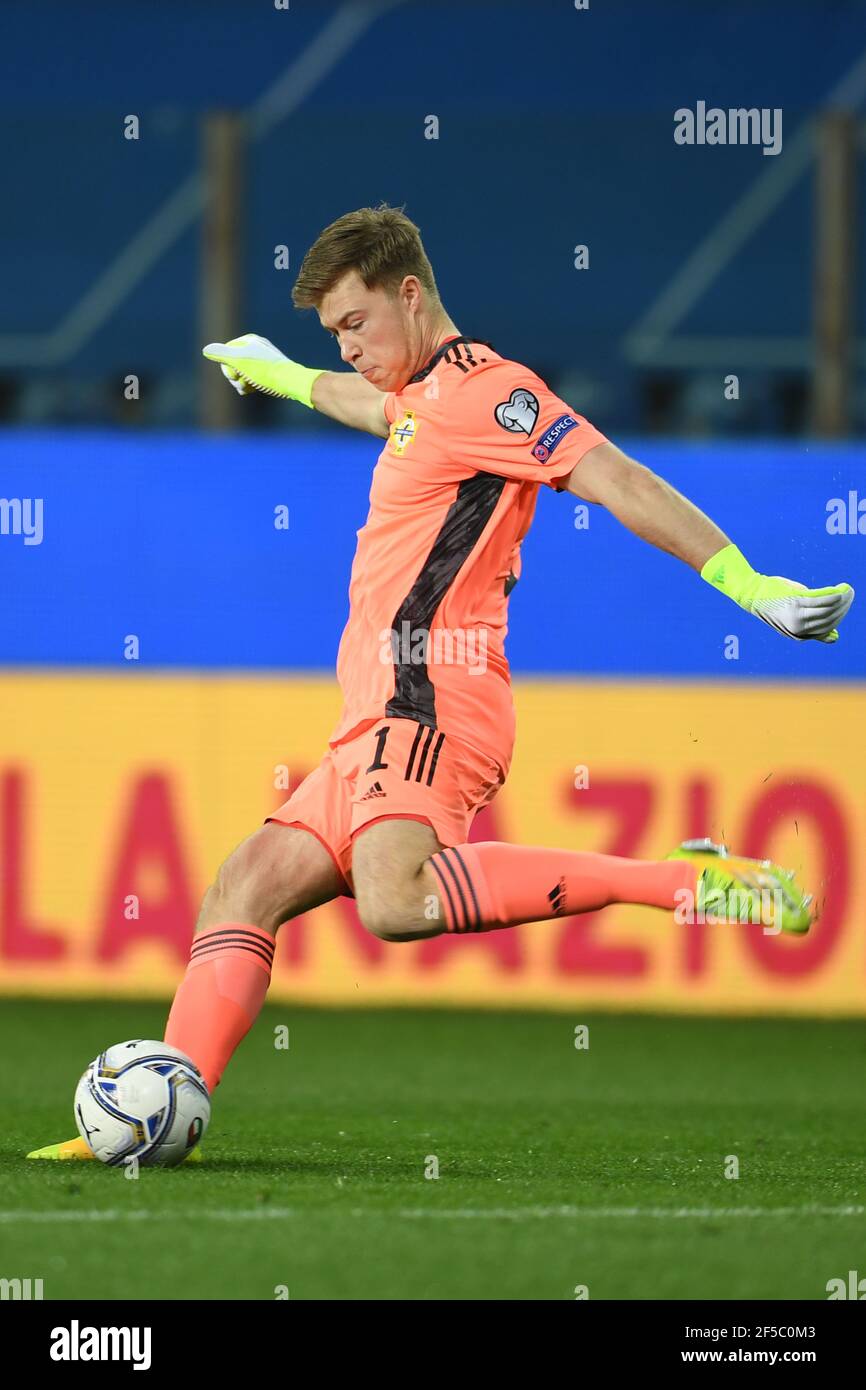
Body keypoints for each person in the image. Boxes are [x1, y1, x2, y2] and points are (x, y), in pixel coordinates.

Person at [30, 204, 853, 1163]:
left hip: (432, 694)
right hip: (374, 713)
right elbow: (370, 405)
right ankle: (165, 1108)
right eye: (332, 334)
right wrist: (286, 376)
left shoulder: (489, 392)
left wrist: (745, 582)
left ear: (409, 293)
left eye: (354, 324)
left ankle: (678, 881)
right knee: (242, 888)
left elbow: (615, 477)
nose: (350, 347)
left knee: (394, 901)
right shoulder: (421, 397)